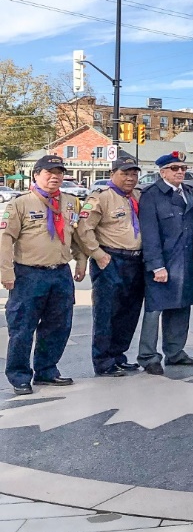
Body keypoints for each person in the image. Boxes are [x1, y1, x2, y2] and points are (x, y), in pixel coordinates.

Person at [1, 154, 88, 395]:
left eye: (59, 173)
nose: (55, 177)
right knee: (22, 327)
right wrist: (6, 272)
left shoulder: (71, 202)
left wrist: (81, 261)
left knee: (58, 326)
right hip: (28, 274)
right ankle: (19, 375)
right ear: (36, 175)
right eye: (49, 172)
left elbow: (78, 236)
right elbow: (5, 240)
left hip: (60, 273)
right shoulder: (20, 204)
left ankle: (47, 370)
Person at [75, 156, 145, 377]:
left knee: (129, 312)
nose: (130, 178)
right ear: (113, 173)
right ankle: (103, 360)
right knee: (107, 313)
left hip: (136, 261)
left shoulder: (137, 196)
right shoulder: (101, 198)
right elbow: (83, 228)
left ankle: (118, 356)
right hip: (111, 260)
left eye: (134, 174)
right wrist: (97, 254)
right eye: (125, 173)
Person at [138, 152, 193, 375]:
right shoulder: (151, 195)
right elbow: (150, 233)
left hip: (186, 260)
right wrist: (157, 265)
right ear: (162, 171)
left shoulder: (188, 192)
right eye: (175, 168)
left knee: (181, 307)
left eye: (183, 168)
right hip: (164, 262)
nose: (180, 172)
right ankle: (148, 356)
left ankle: (175, 352)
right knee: (155, 310)